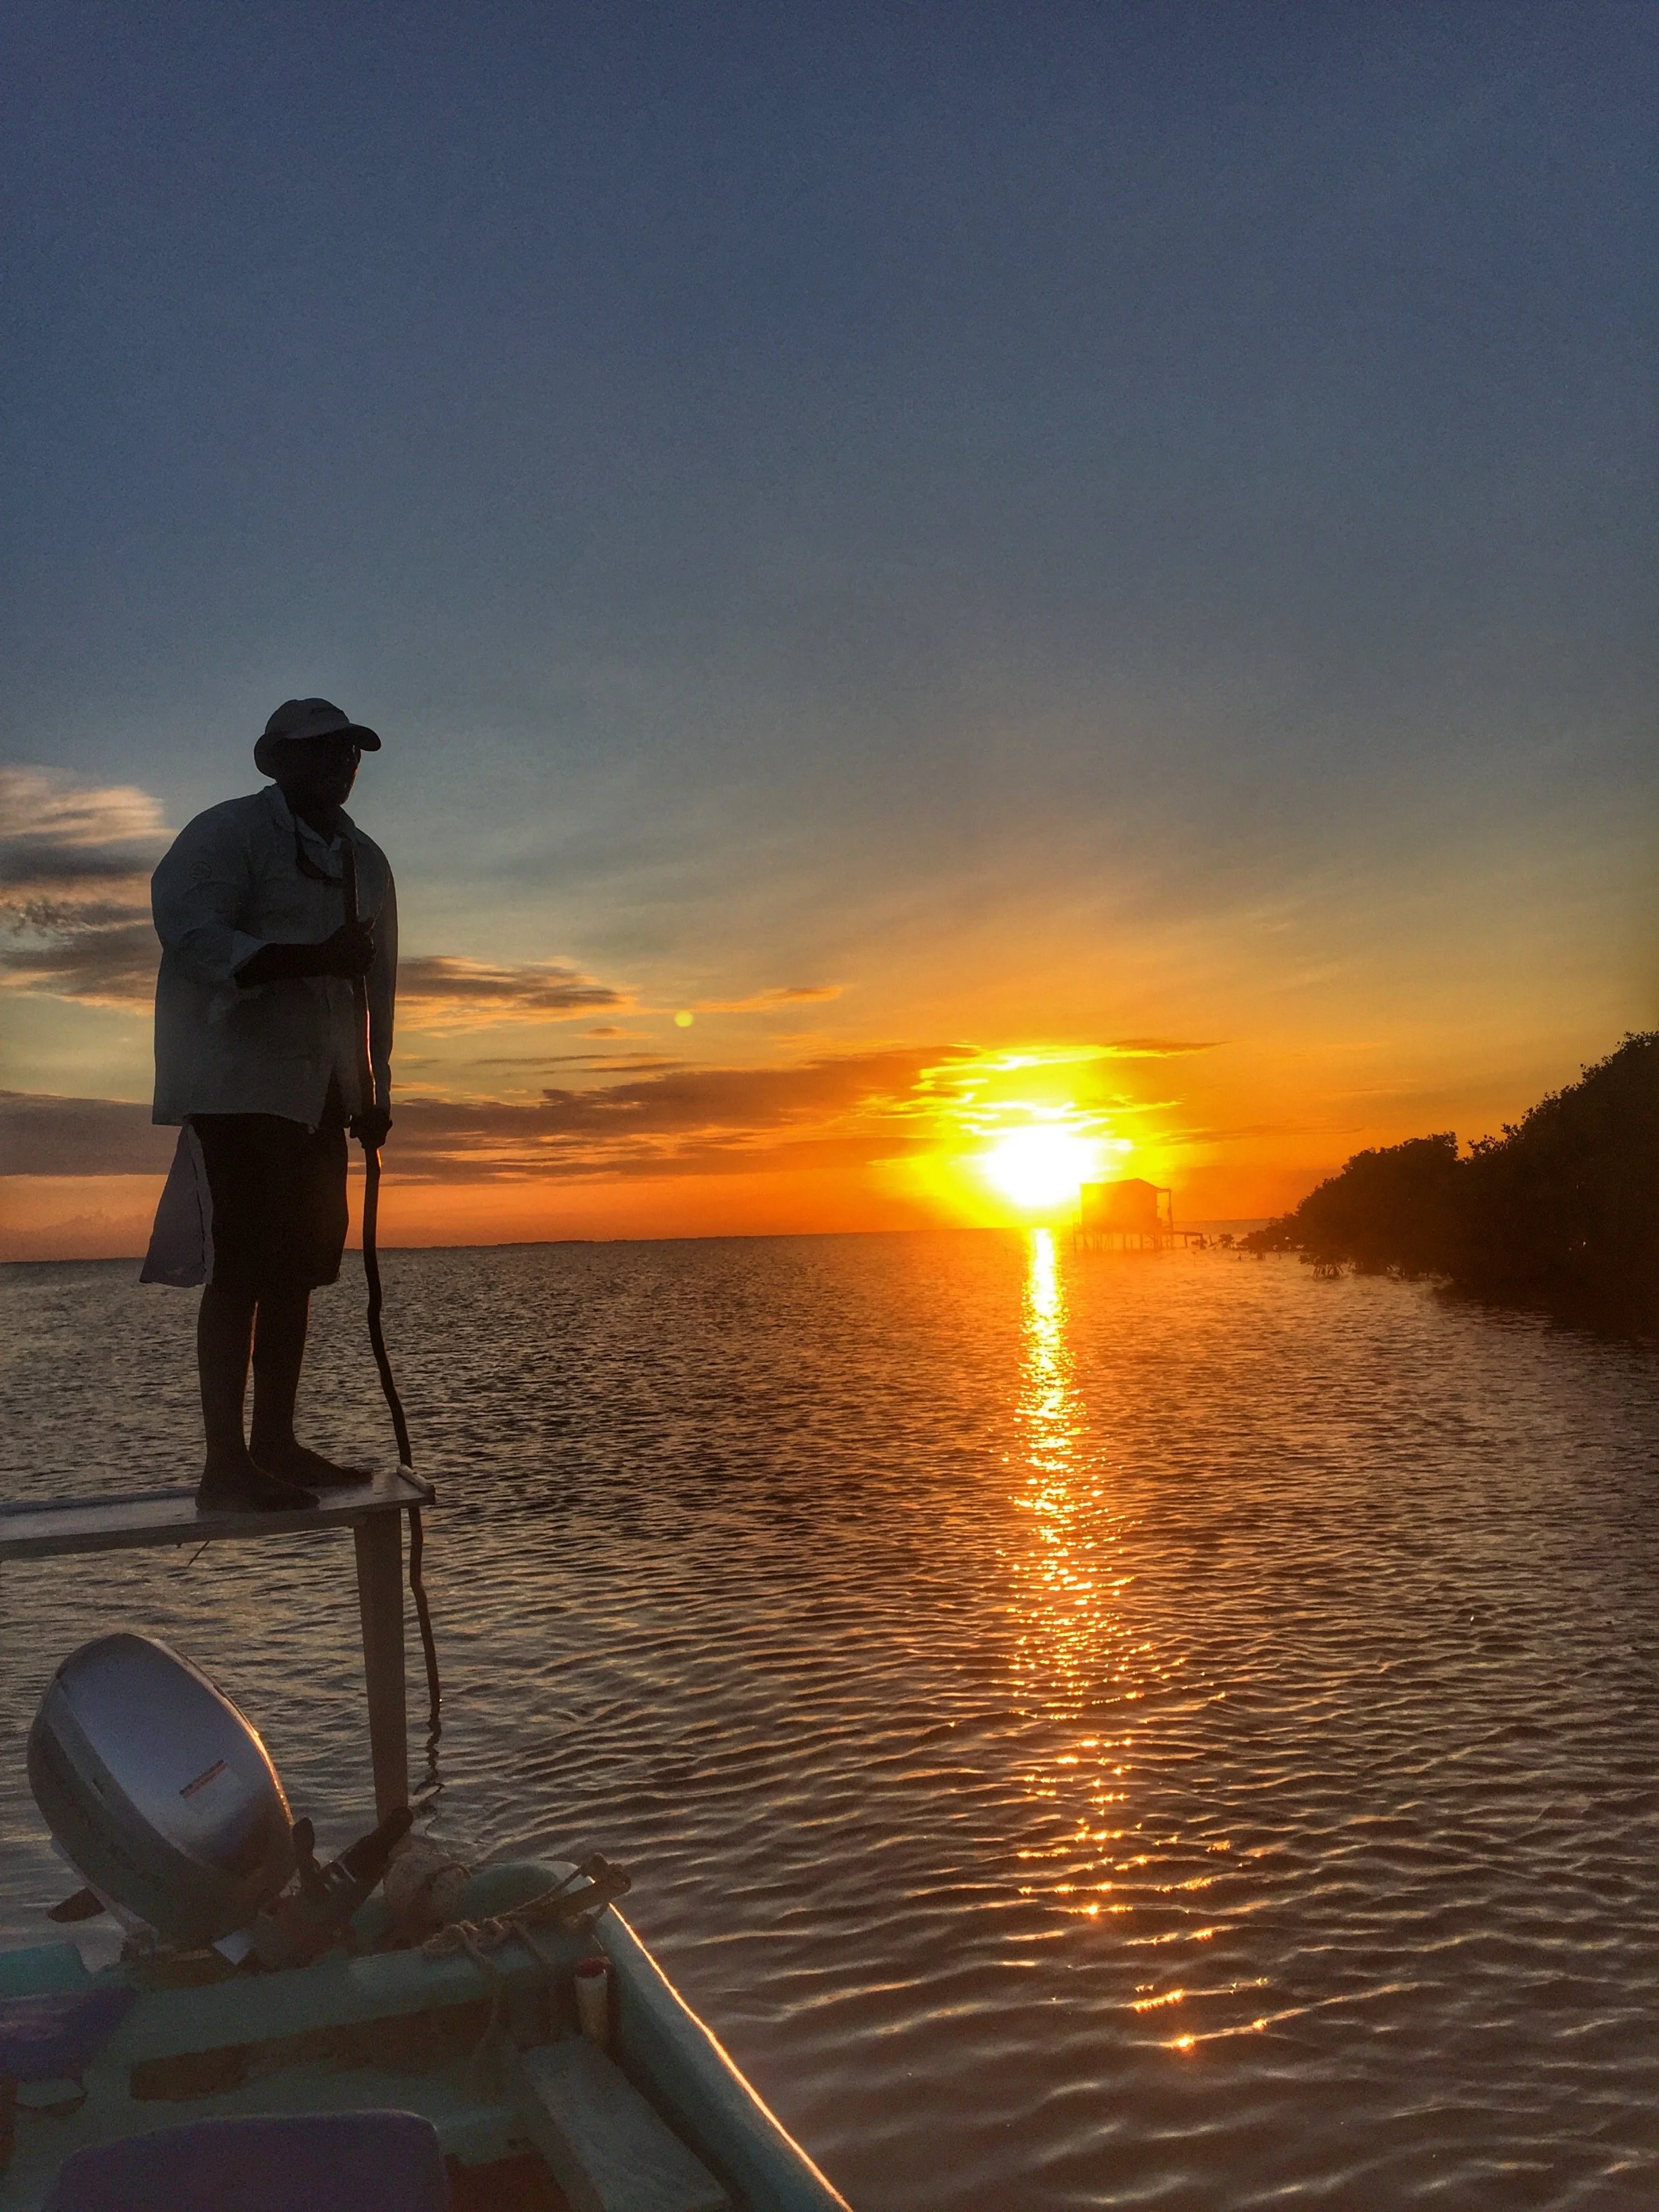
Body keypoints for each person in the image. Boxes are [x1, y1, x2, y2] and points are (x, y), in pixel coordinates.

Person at [142, 699, 398, 1511]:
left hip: (321, 1092)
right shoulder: (227, 834)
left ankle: (275, 1443)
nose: (342, 765)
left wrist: (372, 1089)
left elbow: (375, 985)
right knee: (244, 1267)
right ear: (277, 761)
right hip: (240, 1086)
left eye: (350, 752)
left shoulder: (366, 860)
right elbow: (186, 926)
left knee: (302, 1268)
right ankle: (227, 1463)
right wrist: (292, 958)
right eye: (323, 752)